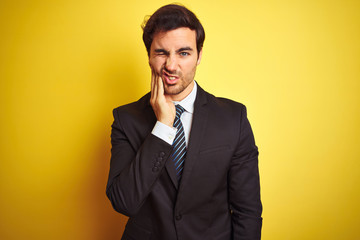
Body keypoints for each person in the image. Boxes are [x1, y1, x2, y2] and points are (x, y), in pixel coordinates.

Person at [106, 4, 262, 240]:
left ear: (199, 56)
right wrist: (162, 127)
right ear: (149, 56)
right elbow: (124, 201)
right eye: (161, 52)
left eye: (184, 53)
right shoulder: (126, 119)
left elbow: (247, 211)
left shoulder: (233, 118)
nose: (171, 65)